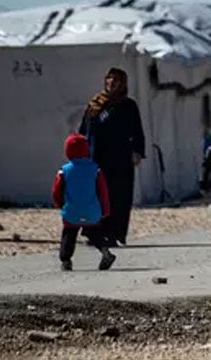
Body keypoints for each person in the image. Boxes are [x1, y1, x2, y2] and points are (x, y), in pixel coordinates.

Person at [78, 67, 145, 246]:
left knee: (119, 196)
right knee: (96, 195)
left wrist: (137, 151)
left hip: (120, 157)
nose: (111, 82)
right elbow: (84, 129)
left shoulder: (127, 105)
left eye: (116, 79)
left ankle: (115, 233)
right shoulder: (95, 104)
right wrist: (80, 151)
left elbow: (137, 130)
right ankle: (95, 233)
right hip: (96, 156)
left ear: (122, 83)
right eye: (109, 78)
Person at [51, 133, 116, 271]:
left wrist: (60, 204)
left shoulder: (64, 171)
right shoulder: (95, 170)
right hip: (91, 210)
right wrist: (105, 210)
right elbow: (102, 191)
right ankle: (105, 251)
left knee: (69, 235)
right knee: (94, 233)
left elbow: (57, 190)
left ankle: (66, 260)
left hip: (71, 210)